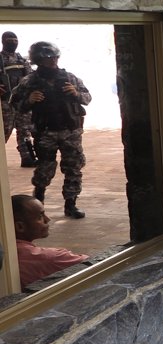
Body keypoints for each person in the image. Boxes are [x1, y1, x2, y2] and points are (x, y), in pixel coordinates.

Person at [10, 41, 91, 219]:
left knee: (73, 168)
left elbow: (87, 98)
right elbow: (15, 103)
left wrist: (76, 94)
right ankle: (38, 205)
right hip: (45, 132)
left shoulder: (70, 78)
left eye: (54, 56)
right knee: (44, 170)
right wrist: (29, 100)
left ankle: (71, 205)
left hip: (71, 132)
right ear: (38, 60)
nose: (53, 60)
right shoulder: (29, 81)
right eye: (48, 58)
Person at [12, 194, 88, 290]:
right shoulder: (49, 258)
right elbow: (95, 264)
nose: (47, 219)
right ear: (20, 227)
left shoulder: (9, 250)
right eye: (40, 216)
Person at [1, 31, 36, 167]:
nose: (13, 43)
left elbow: (31, 77)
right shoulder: (0, 59)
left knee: (24, 130)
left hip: (21, 101)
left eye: (15, 40)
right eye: (10, 40)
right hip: (5, 102)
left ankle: (27, 158)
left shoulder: (22, 59)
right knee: (4, 130)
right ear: (3, 41)